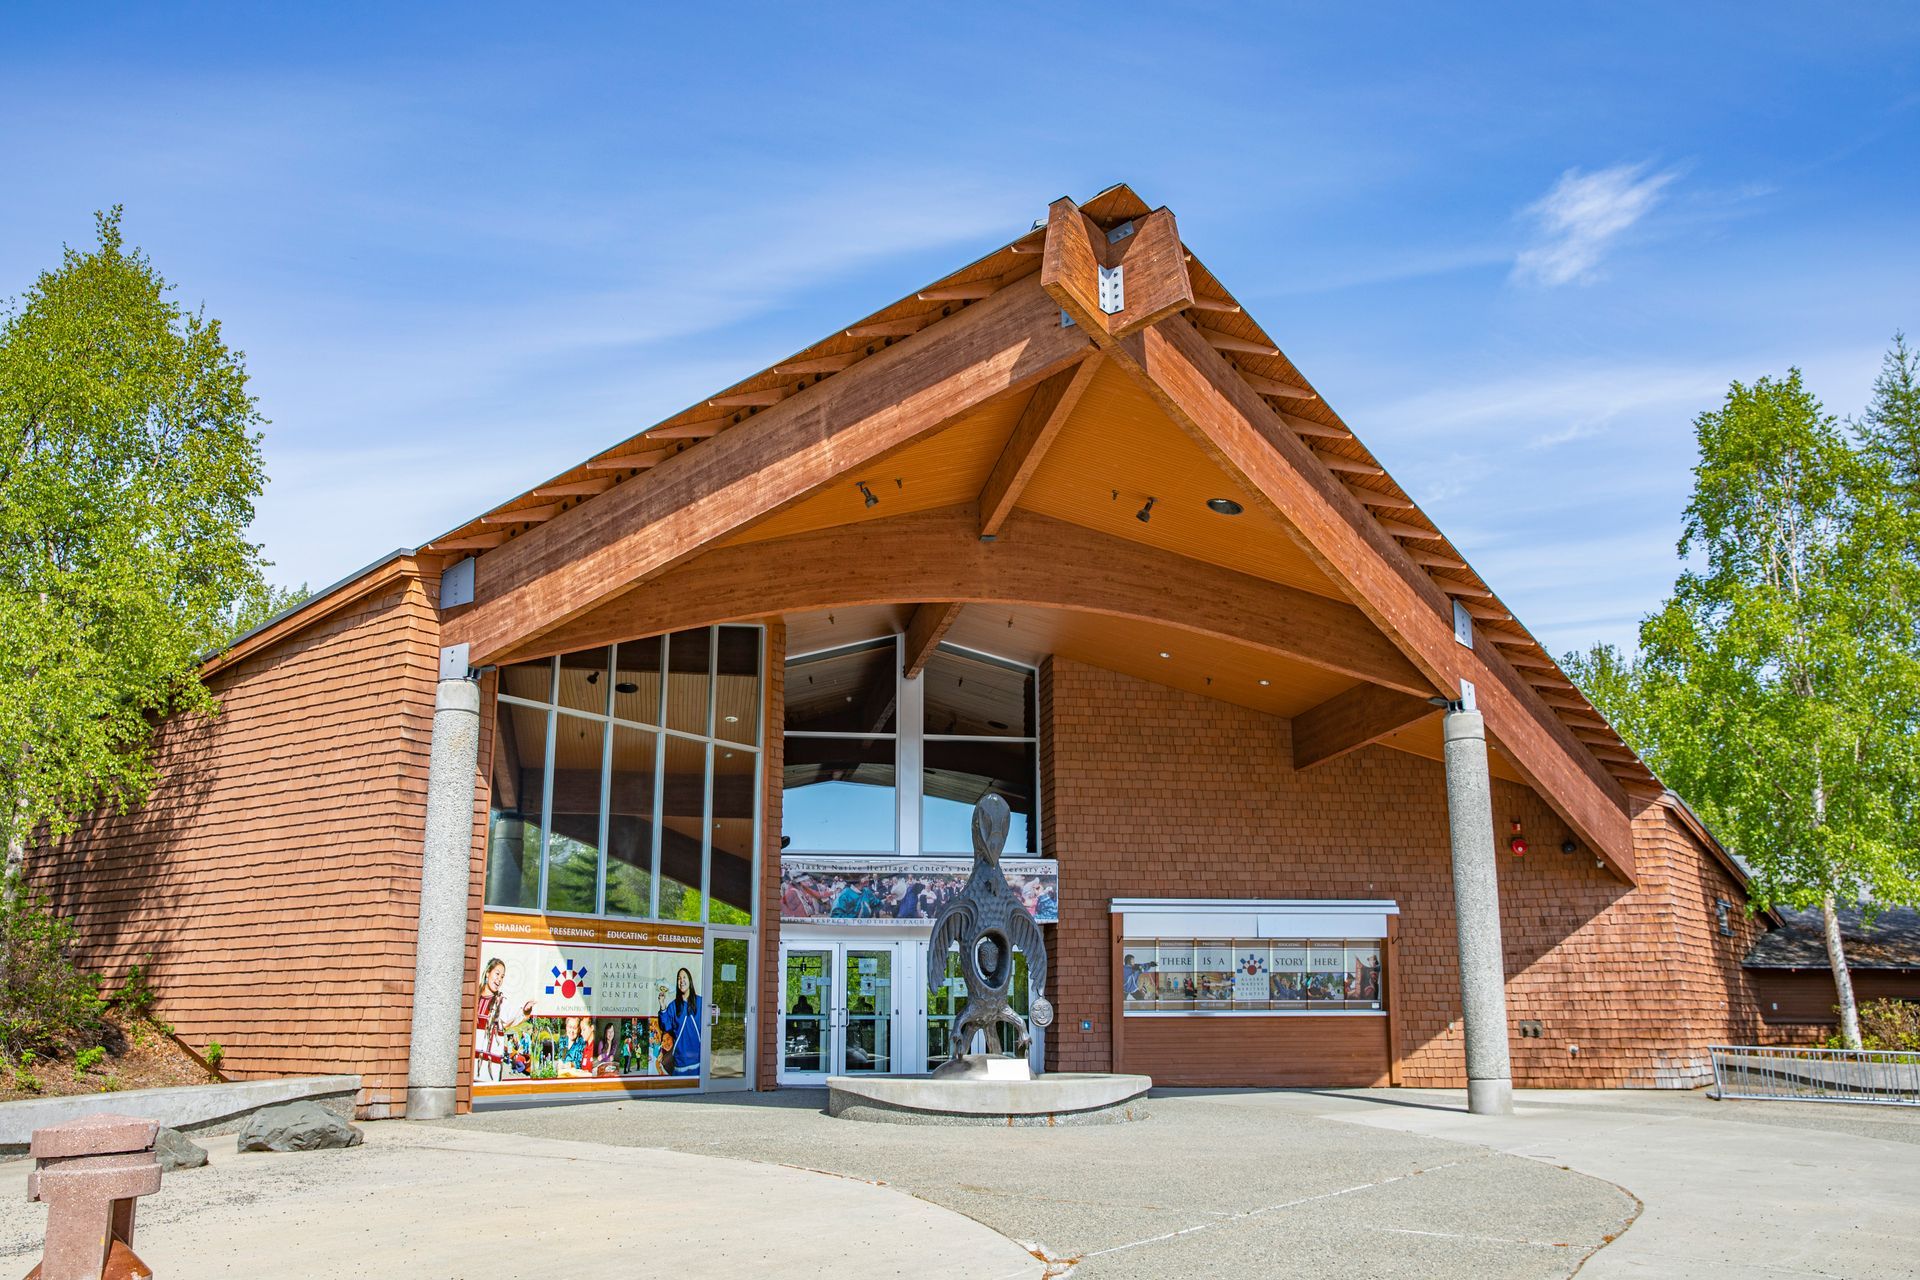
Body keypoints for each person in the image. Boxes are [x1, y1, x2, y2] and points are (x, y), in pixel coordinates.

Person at [656, 966, 703, 1076]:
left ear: (690, 980)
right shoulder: (673, 1006)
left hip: (699, 1060)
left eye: (684, 977)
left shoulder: (701, 1002)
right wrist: (663, 1006)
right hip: (680, 1062)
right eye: (679, 978)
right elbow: (665, 1027)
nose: (681, 981)